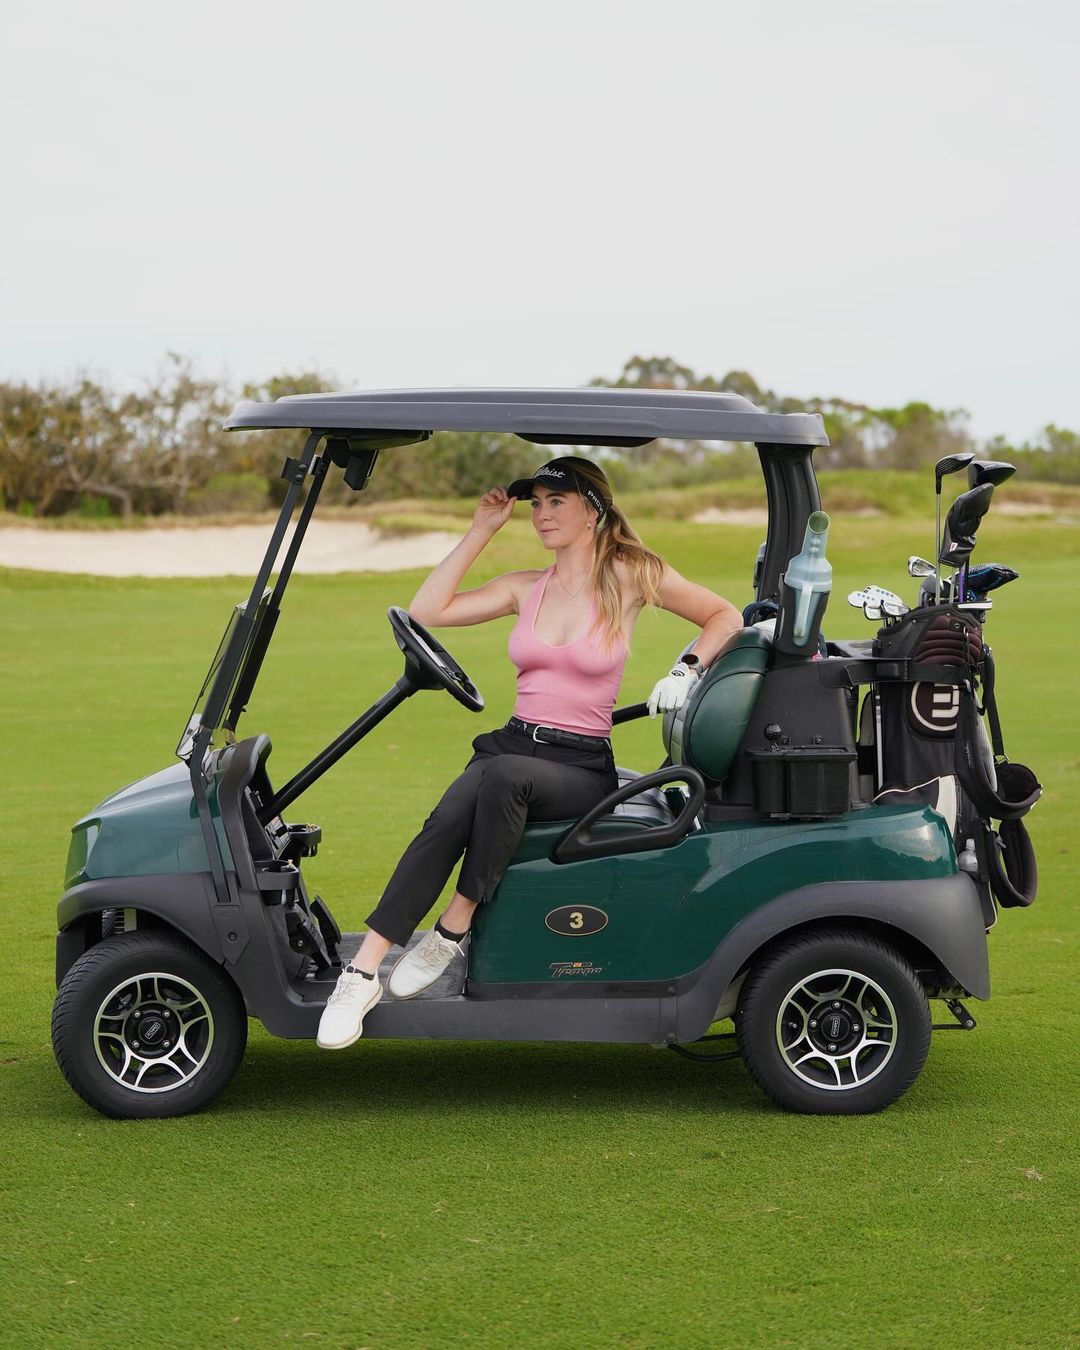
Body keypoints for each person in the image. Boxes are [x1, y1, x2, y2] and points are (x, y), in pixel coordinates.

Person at [317, 456, 742, 1049]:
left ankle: (453, 926)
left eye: (555, 502)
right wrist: (480, 531)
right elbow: (427, 612)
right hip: (514, 744)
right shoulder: (525, 587)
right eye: (535, 503)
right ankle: (362, 972)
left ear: (593, 510)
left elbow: (724, 615)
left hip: (579, 765)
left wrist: (687, 668)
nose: (541, 514)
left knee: (503, 778)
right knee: (445, 820)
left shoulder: (631, 572)